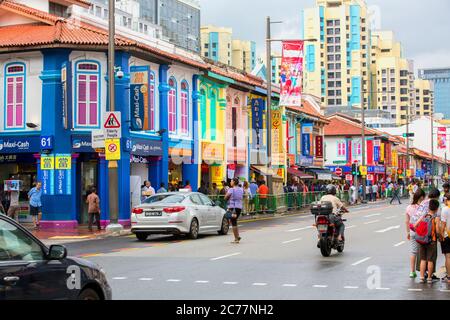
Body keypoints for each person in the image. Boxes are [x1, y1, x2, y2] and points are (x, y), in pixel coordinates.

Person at [415, 199, 440, 284]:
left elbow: (416, 225)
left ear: (429, 207)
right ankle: (429, 278)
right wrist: (439, 237)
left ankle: (422, 277)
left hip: (422, 241)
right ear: (437, 208)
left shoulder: (424, 216)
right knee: (430, 260)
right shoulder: (436, 218)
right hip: (431, 241)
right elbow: (437, 231)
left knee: (423, 259)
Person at [406, 189, 426, 279]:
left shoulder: (409, 207)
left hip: (412, 231)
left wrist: (407, 232)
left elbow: (407, 221)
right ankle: (423, 272)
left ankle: (412, 271)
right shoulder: (423, 207)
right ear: (422, 197)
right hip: (422, 232)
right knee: (423, 252)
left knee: (413, 251)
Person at [225, 178, 244, 244]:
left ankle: (236, 238)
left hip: (233, 208)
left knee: (233, 222)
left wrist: (227, 196)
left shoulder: (231, 189)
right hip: (239, 207)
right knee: (234, 221)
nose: (230, 182)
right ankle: (237, 236)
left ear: (234, 182)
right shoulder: (241, 189)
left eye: (231, 181)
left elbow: (226, 197)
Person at [440, 193, 450, 284]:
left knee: (448, 256)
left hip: (447, 236)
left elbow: (443, 225)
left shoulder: (445, 209)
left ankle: (449, 277)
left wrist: (441, 235)